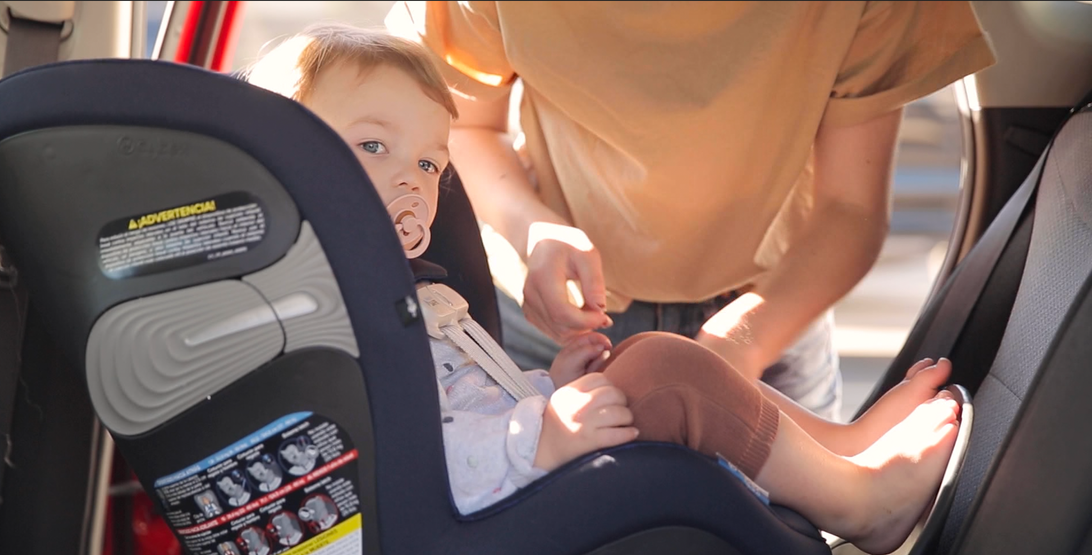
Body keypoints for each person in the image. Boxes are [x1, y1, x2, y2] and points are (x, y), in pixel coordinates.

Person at [243, 23, 960, 555]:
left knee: (646, 359)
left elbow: (459, 401)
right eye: (373, 146)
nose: (411, 177)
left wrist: (545, 389)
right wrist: (542, 436)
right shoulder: (318, 320)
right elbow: (403, 461)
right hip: (485, 523)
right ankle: (862, 506)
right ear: (275, 167)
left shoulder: (404, 295)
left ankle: (842, 448)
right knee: (663, 370)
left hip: (518, 469)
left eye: (431, 164)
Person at [384, 1, 996, 423]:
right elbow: (468, 126)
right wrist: (532, 229)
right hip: (551, 316)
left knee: (790, 547)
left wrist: (743, 345)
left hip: (774, 312)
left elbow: (850, 210)